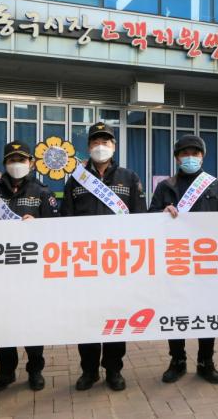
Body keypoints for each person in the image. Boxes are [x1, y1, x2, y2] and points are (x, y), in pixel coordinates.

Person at [60, 122, 146, 392]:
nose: (101, 146)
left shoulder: (129, 178)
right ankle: (89, 371)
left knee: (115, 318)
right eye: (96, 142)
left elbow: (140, 219)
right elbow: (65, 220)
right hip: (84, 264)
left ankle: (113, 370)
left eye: (105, 142)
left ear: (114, 146)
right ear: (88, 147)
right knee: (86, 319)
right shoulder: (75, 179)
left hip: (117, 263)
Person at [0, 141, 58, 392]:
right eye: (12, 160)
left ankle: (35, 370)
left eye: (21, 160)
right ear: (5, 164)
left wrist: (38, 223)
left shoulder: (42, 192)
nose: (17, 164)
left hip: (32, 272)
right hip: (1, 272)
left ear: (31, 163)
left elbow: (56, 228)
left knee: (32, 324)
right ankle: (6, 372)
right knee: (3, 325)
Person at [149, 134, 218, 385]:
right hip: (176, 260)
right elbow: (149, 217)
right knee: (175, 311)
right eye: (185, 153)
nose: (190, 157)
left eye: (195, 153)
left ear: (202, 157)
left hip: (206, 261)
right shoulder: (165, 186)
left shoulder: (214, 185)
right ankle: (177, 360)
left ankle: (206, 361)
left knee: (207, 311)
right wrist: (161, 213)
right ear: (177, 158)